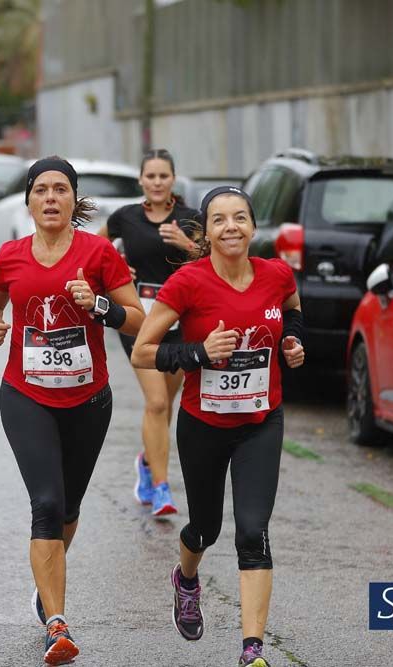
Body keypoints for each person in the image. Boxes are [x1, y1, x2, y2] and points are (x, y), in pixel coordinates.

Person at [0, 157, 145, 665]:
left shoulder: (98, 253)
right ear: (29, 201)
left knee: (68, 508)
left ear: (74, 200)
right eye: (42, 190)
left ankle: (46, 581)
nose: (51, 198)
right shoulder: (11, 255)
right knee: (47, 504)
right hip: (26, 395)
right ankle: (57, 623)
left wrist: (98, 304)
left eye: (61, 190)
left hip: (88, 400)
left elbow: (138, 320)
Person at [130, 186, 305, 667]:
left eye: (240, 218)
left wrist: (292, 342)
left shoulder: (277, 274)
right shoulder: (188, 283)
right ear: (205, 231)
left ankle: (253, 651)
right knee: (204, 528)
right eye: (220, 220)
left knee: (253, 531)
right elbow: (142, 352)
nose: (231, 227)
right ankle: (186, 579)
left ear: (253, 226)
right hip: (203, 424)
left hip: (260, 423)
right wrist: (199, 353)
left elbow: (292, 311)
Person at [100, 148, 199, 516]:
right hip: (139, 320)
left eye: (163, 176)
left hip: (181, 321)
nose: (157, 182)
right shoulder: (125, 217)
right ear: (141, 180)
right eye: (151, 176)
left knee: (166, 404)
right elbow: (95, 250)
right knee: (156, 402)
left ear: (173, 179)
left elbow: (216, 261)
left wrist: (187, 245)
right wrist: (116, 266)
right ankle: (161, 487)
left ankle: (146, 461)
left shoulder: (191, 218)